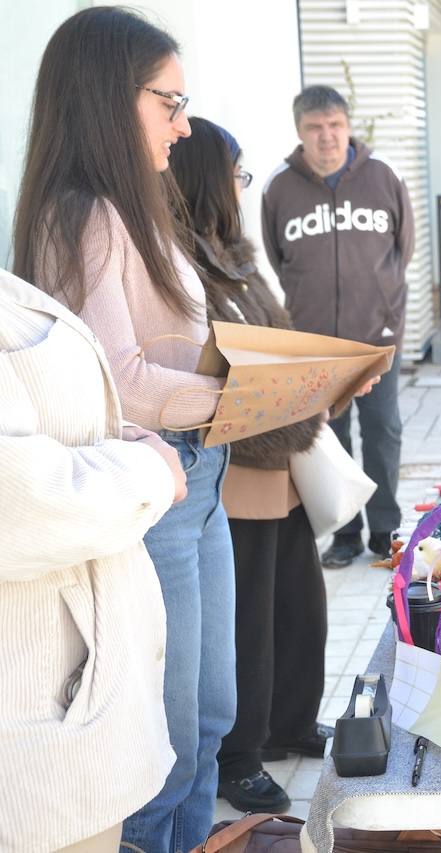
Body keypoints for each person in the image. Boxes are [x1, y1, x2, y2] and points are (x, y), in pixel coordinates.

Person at [12, 8, 236, 851]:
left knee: (210, 718)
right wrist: (237, 399)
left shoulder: (130, 203)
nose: (184, 125)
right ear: (110, 98)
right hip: (154, 484)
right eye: (170, 102)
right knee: (162, 752)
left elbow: (167, 350)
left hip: (195, 477)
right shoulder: (82, 215)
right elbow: (119, 386)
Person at [169, 118, 333, 813]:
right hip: (230, 473)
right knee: (247, 625)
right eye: (236, 175)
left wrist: (327, 373)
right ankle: (238, 757)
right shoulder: (177, 263)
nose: (242, 188)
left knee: (302, 607)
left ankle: (289, 724)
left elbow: (277, 339)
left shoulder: (233, 254)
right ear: (207, 178)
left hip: (280, 458)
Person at [0, 268, 186, 853]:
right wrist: (151, 469)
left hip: (57, 707)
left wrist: (112, 436)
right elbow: (17, 504)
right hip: (31, 726)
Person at [261, 85, 415, 568]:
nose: (327, 137)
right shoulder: (279, 186)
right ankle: (345, 532)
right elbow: (278, 259)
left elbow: (401, 249)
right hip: (314, 345)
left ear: (348, 127)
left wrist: (383, 311)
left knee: (383, 430)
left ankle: (385, 529)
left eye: (335, 126)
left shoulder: (383, 176)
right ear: (299, 132)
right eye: (315, 128)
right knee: (330, 437)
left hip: (376, 341)